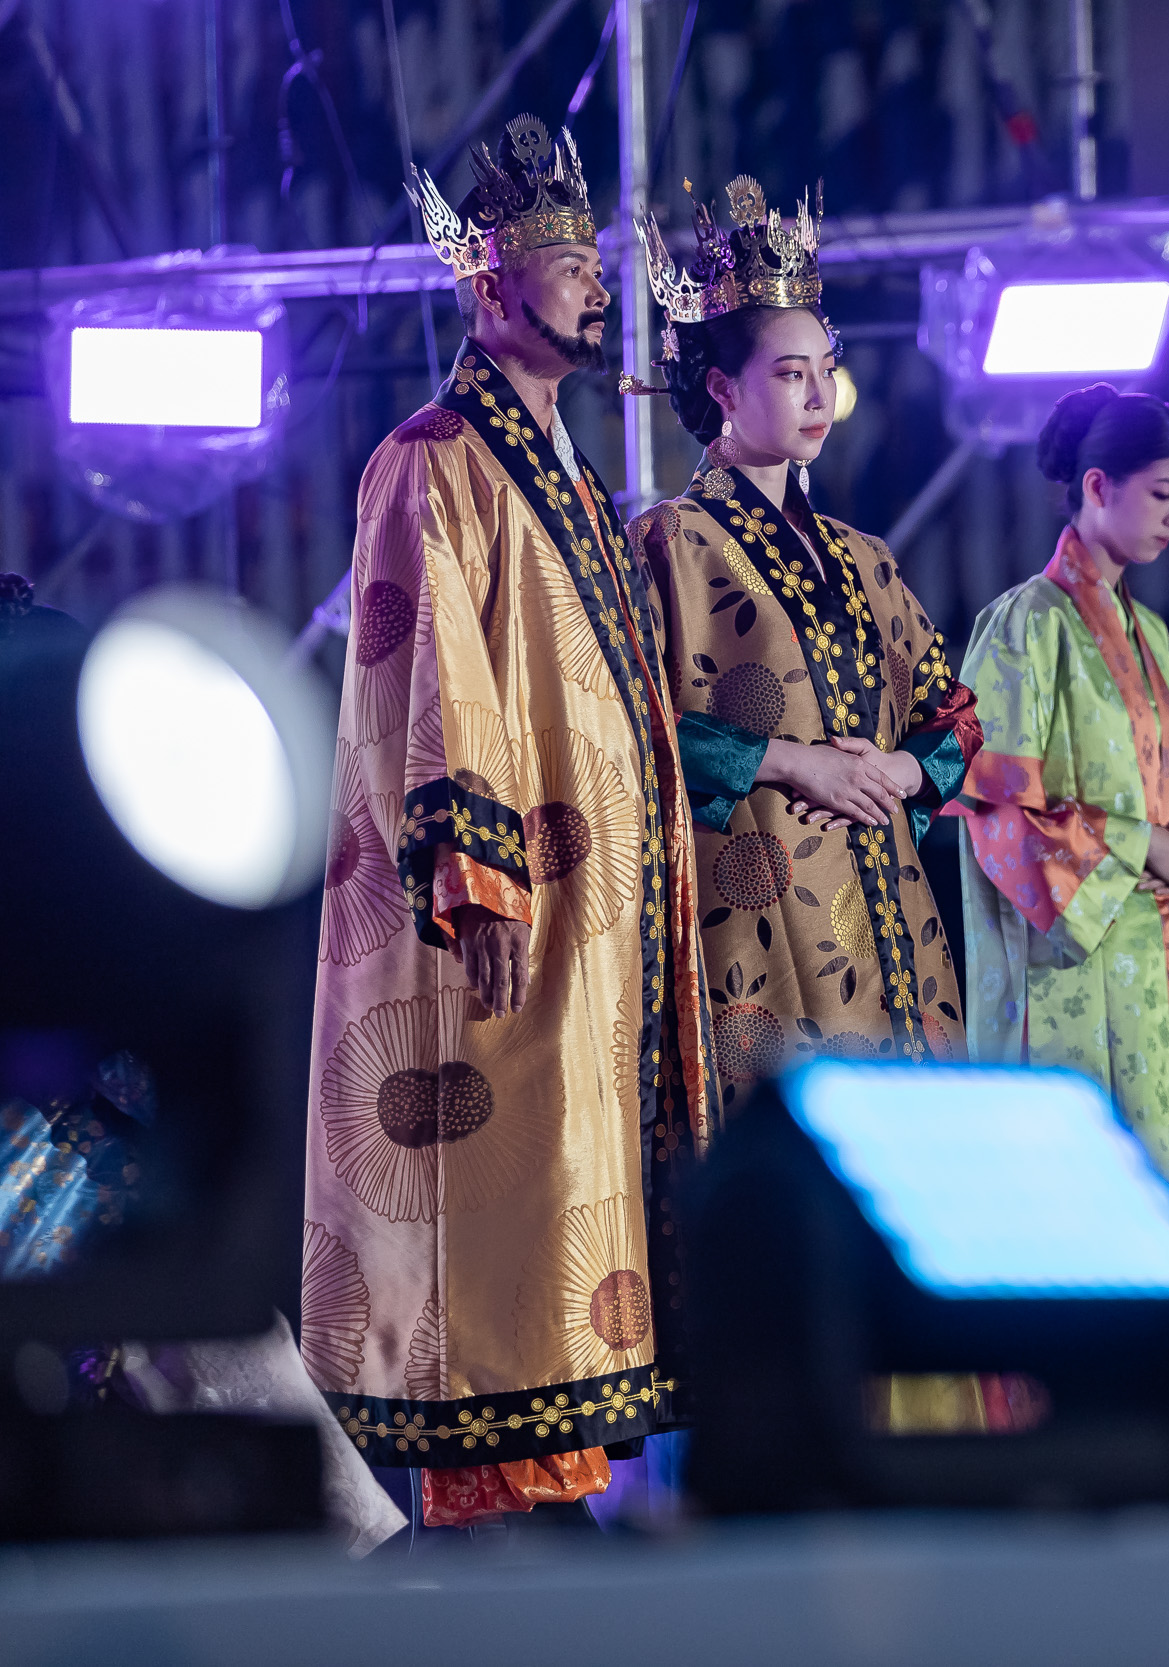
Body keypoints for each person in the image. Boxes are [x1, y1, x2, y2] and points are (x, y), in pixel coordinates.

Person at [306, 116, 715, 1532]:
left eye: (596, 261)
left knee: (566, 1192)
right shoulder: (431, 460)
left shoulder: (577, 483)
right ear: (491, 284)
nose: (597, 287)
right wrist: (474, 875)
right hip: (506, 915)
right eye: (568, 262)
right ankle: (500, 1504)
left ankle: (556, 1489)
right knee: (508, 1196)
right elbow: (437, 677)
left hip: (597, 920)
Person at [625, 177, 1007, 1435]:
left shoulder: (863, 555)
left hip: (890, 914)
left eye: (823, 368)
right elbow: (638, 728)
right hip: (758, 918)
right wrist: (796, 764)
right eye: (785, 371)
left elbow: (952, 716)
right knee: (795, 1178)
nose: (812, 393)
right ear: (721, 391)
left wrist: (899, 771)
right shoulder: (669, 543)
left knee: (919, 1188)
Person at [950, 385, 1169, 1486]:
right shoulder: (1020, 627)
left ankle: (1165, 1463)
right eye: (1159, 494)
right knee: (1072, 1234)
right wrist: (1142, 846)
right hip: (1069, 990)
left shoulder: (1149, 632)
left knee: (1165, 1219)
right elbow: (995, 812)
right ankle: (1060, 1471)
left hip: (1160, 981)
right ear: (1095, 489)